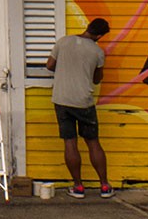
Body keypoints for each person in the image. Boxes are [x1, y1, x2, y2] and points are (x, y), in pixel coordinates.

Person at [46, 17, 114, 199]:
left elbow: (49, 65)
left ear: (88, 27)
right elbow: (97, 79)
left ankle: (78, 187)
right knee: (93, 142)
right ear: (99, 35)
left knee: (70, 142)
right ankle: (104, 186)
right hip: (84, 102)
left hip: (62, 99)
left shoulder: (63, 41)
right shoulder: (97, 52)